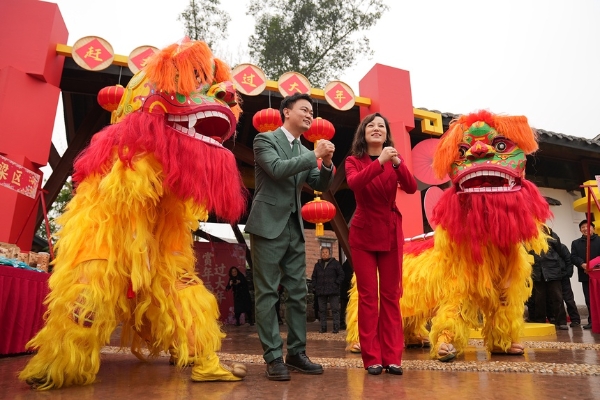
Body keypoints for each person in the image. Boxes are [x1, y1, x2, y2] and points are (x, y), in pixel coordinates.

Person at [245, 93, 335, 381]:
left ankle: (296, 353)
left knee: (298, 293)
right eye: (304, 110)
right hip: (268, 224)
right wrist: (315, 155)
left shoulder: (303, 150)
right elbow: (276, 170)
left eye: (312, 112)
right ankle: (273, 356)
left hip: (294, 228)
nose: (310, 115)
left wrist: (328, 164)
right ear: (286, 112)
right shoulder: (265, 140)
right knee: (268, 292)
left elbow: (317, 183)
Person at [345, 112, 417, 376]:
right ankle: (372, 358)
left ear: (387, 134)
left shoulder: (394, 161)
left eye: (381, 126)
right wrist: (381, 162)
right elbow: (355, 183)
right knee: (367, 298)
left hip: (390, 231)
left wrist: (396, 163)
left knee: (390, 296)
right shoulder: (354, 161)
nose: (376, 129)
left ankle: (392, 357)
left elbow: (410, 187)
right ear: (363, 133)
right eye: (371, 126)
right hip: (363, 233)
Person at [529, 227, 571, 330]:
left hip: (553, 270)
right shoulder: (528, 237)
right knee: (539, 299)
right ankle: (540, 322)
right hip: (538, 272)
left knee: (557, 297)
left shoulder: (550, 233)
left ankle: (561, 321)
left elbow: (559, 249)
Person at [571, 219, 600, 329]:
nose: (585, 229)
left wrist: (594, 265)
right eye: (582, 227)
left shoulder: (599, 240)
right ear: (580, 230)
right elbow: (573, 257)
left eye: (588, 227)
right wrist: (582, 264)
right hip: (585, 275)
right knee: (589, 299)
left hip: (598, 274)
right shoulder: (576, 243)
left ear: (593, 228)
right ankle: (593, 321)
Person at [311, 247, 344, 333]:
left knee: (335, 310)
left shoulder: (335, 263)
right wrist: (315, 286)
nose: (324, 254)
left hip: (333, 290)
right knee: (322, 310)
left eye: (326, 252)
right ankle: (323, 327)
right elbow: (314, 277)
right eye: (323, 252)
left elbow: (341, 275)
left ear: (329, 253)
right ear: (321, 254)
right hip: (321, 290)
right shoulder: (317, 265)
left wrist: (336, 283)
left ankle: (336, 328)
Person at [558, 243, 581, 327]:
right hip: (553, 278)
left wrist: (568, 274)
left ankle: (575, 319)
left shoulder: (562, 247)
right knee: (558, 300)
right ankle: (561, 321)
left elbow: (569, 260)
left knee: (569, 299)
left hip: (564, 276)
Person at [339, 259, 354, 331]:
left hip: (345, 290)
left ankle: (343, 323)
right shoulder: (347, 265)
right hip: (347, 290)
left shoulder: (345, 265)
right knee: (346, 308)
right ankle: (344, 323)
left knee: (344, 308)